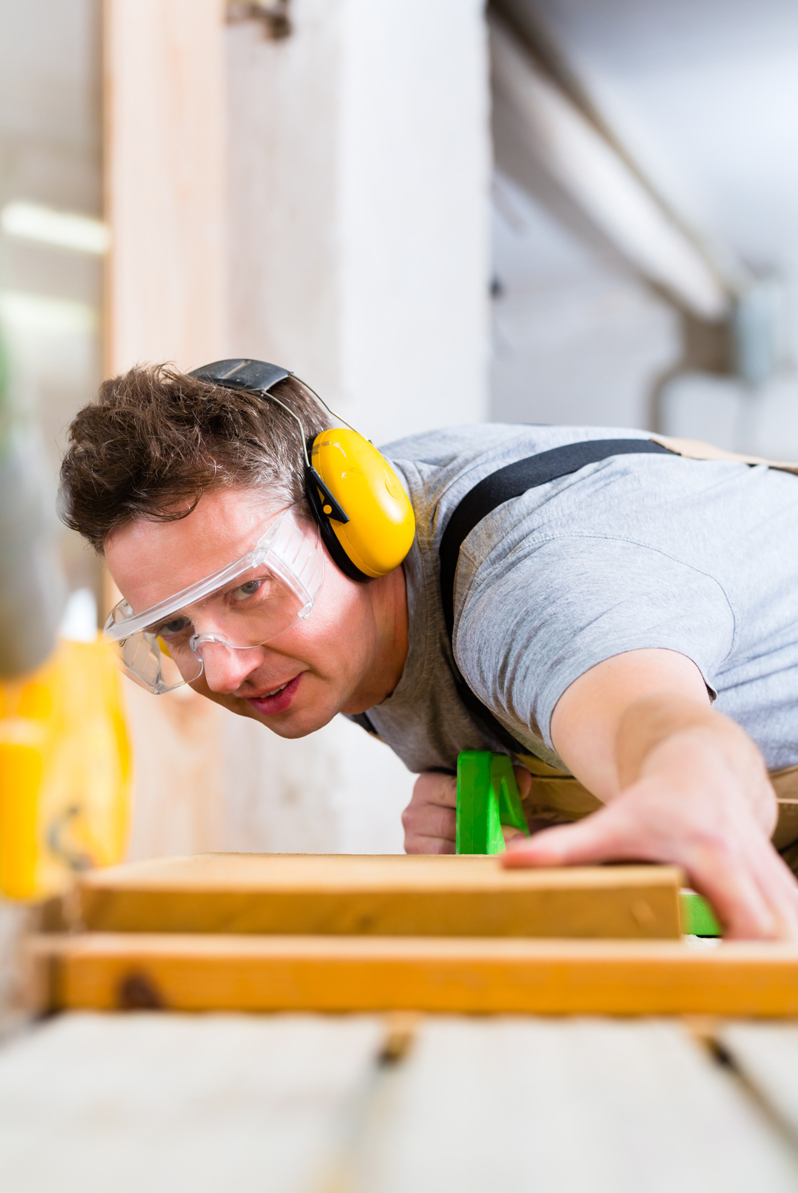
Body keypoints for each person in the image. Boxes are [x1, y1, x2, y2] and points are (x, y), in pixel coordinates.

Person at [58, 358, 798, 940]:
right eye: (174, 629)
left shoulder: (533, 584)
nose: (223, 669)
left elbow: (655, 726)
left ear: (354, 524)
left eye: (248, 590)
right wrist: (517, 820)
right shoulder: (329, 611)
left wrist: (685, 787)